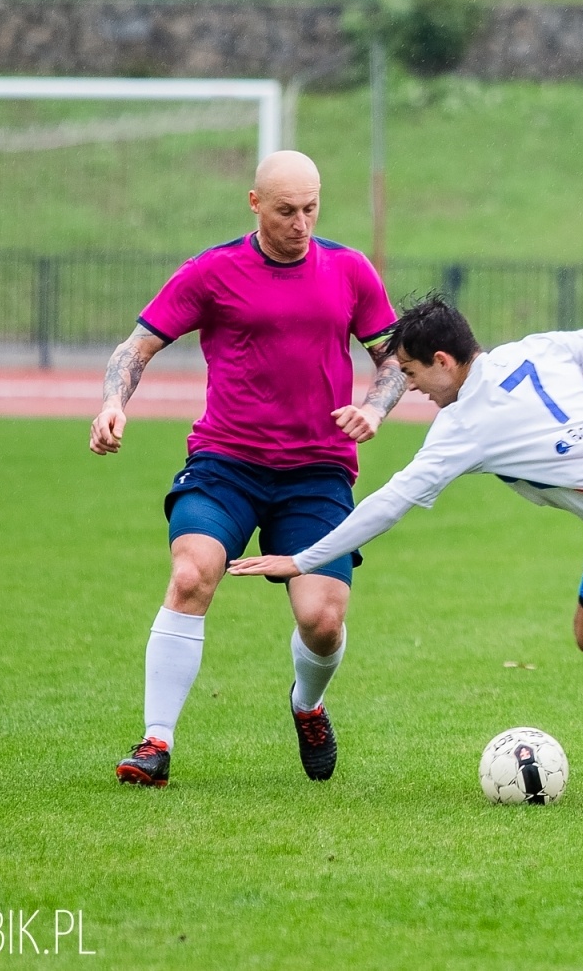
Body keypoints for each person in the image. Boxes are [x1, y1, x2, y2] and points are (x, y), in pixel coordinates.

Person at [228, 295, 583, 714]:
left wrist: (303, 561)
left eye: (410, 373)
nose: (409, 387)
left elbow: (389, 503)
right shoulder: (536, 349)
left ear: (443, 361)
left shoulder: (463, 426)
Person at [90, 150, 405, 787]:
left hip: (317, 474)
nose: (301, 223)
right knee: (190, 574)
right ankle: (156, 742)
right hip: (225, 465)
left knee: (322, 621)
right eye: (287, 210)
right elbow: (138, 345)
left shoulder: (349, 270)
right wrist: (111, 403)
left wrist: (375, 408)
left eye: (311, 208)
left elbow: (394, 359)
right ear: (255, 204)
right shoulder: (212, 271)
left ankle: (307, 704)